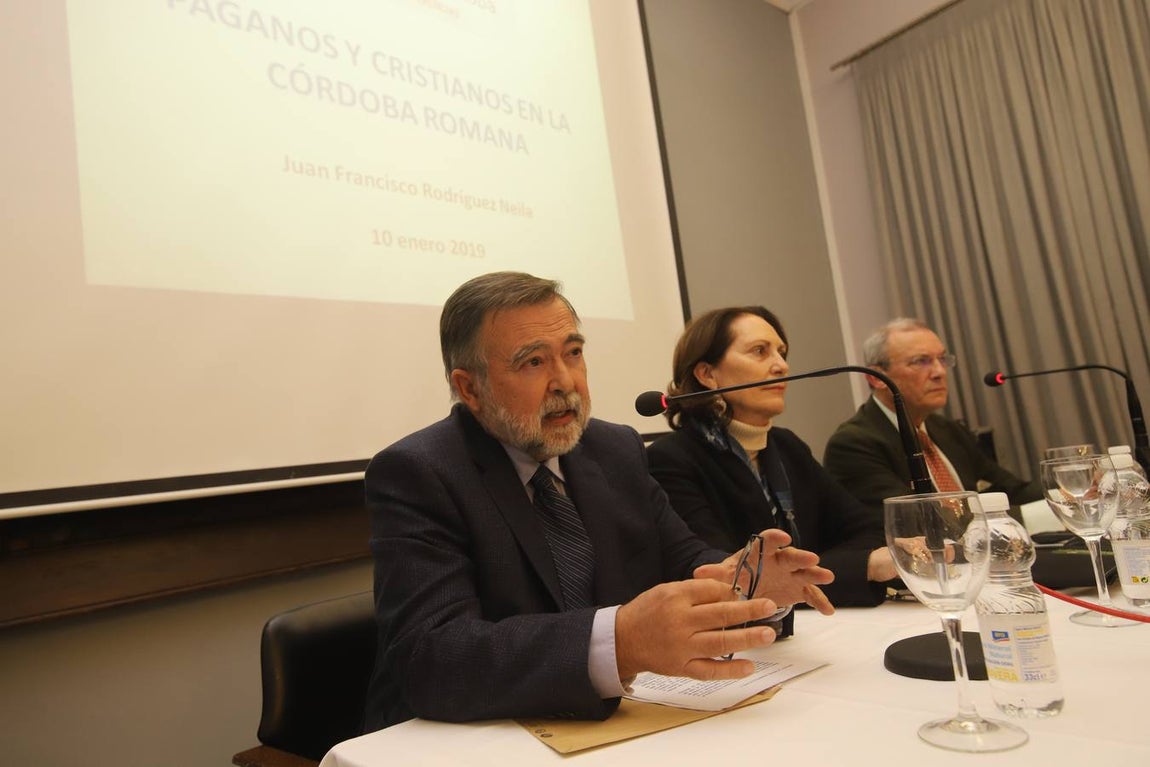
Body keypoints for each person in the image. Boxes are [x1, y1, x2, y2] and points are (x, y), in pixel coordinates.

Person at [362, 272, 835, 732]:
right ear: (470, 388)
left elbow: (688, 559)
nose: (565, 381)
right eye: (533, 362)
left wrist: (747, 584)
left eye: (573, 353)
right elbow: (432, 656)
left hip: (618, 720)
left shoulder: (614, 449)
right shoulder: (420, 472)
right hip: (464, 738)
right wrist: (621, 641)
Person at [646, 307, 895, 632]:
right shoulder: (672, 459)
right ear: (707, 374)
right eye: (760, 351)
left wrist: (825, 570)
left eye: (781, 352)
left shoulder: (786, 445)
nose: (781, 365)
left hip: (817, 628)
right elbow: (728, 574)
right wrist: (863, 567)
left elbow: (867, 530)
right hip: (749, 642)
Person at [823, 318, 1042, 518]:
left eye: (942, 359)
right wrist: (1031, 519)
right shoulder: (854, 445)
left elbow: (1011, 491)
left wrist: (1064, 491)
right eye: (921, 361)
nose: (939, 372)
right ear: (876, 378)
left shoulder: (948, 430)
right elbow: (924, 521)